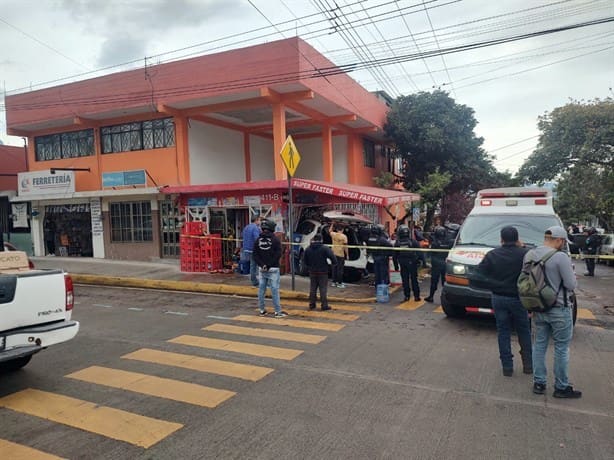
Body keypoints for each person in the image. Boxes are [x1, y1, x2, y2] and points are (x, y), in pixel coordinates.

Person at [526, 226, 580, 398]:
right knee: (561, 348)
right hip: (559, 309)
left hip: (538, 307)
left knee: (539, 345)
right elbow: (571, 285)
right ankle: (561, 387)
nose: (563, 244)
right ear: (558, 240)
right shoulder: (560, 257)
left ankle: (539, 383)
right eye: (563, 241)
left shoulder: (530, 254)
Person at [478, 226, 531, 377]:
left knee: (503, 331)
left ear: (501, 239)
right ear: (517, 239)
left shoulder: (492, 254)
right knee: (524, 330)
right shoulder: (525, 254)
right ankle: (528, 365)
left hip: (498, 297)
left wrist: (492, 284)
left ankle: (507, 367)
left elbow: (480, 274)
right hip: (519, 298)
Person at [253, 219, 287, 318]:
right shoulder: (275, 240)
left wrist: (262, 264)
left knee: (261, 290)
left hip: (262, 269)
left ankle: (262, 310)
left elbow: (255, 254)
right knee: (275, 290)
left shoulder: (258, 240)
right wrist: (269, 265)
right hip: (273, 269)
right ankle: (277, 311)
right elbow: (278, 254)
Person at [304, 233, 337, 311]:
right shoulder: (324, 248)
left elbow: (305, 261)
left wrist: (309, 267)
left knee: (312, 289)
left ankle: (312, 304)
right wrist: (334, 264)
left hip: (312, 272)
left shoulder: (308, 249)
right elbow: (332, 257)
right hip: (323, 272)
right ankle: (324, 305)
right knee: (323, 289)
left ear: (314, 240)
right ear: (321, 239)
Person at [393, 225, 421, 301]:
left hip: (403, 263)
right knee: (414, 279)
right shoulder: (412, 241)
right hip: (412, 263)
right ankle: (416, 296)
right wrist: (420, 261)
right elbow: (419, 252)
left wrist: (396, 266)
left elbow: (395, 255)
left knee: (405, 280)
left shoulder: (397, 243)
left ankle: (407, 296)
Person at [424, 226, 452, 302]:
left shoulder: (435, 243)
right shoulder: (449, 242)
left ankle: (431, 297)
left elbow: (431, 253)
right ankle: (446, 299)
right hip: (445, 263)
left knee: (434, 281)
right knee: (445, 282)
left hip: (436, 264)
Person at [241, 214, 261, 286]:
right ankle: (255, 281)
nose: (260, 222)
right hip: (253, 249)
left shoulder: (246, 227)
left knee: (252, 265)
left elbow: (242, 235)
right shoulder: (255, 228)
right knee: (255, 265)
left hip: (246, 249)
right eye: (259, 220)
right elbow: (257, 239)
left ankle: (254, 280)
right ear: (256, 220)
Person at [329, 222, 348, 288]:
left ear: (337, 229)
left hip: (333, 253)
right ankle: (339, 283)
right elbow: (345, 247)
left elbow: (330, 231)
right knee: (340, 269)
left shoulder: (333, 234)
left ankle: (334, 282)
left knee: (334, 268)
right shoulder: (344, 236)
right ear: (342, 230)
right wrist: (347, 255)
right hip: (340, 255)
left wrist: (332, 224)